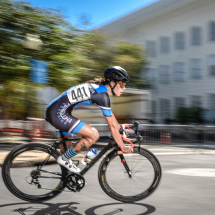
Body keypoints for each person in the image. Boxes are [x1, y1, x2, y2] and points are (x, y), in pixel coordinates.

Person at [46, 66, 133, 173]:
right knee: (93, 135)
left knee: (67, 153)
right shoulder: (102, 95)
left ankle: (64, 182)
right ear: (112, 83)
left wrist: (120, 129)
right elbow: (111, 125)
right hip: (58, 113)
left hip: (56, 110)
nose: (124, 88)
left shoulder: (99, 89)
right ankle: (64, 160)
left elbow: (113, 119)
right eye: (122, 84)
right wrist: (122, 146)